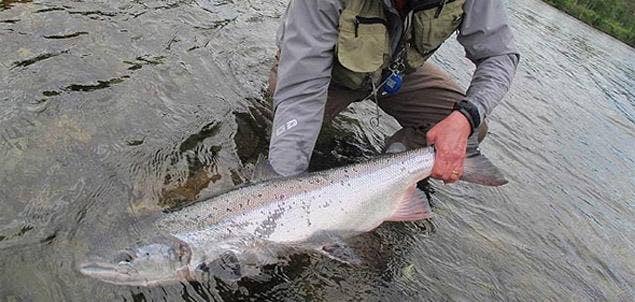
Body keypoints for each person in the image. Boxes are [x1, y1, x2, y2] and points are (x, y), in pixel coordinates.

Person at [266, 0, 519, 184]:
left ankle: (393, 170)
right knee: (276, 141)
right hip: (323, 73)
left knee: (473, 127)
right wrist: (282, 189)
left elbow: (499, 54)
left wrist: (466, 118)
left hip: (394, 71)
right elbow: (300, 96)